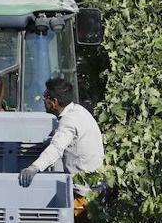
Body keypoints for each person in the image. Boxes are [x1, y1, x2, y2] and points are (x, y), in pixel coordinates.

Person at [18, 78, 105, 215]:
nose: (43, 101)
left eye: (45, 97)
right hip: (94, 187)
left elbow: (56, 149)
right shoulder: (78, 110)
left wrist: (34, 168)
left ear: (54, 102)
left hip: (84, 195)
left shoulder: (69, 121)